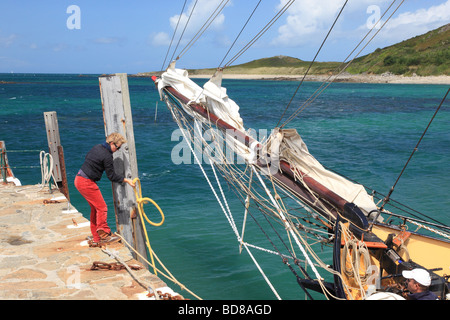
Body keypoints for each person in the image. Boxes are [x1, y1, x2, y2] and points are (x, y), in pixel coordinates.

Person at [75, 132, 135, 247]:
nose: (117, 150)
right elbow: (111, 176)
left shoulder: (97, 147)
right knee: (102, 208)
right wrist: (127, 180)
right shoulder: (107, 156)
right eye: (117, 147)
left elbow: (87, 157)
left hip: (79, 179)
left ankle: (97, 238)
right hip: (86, 182)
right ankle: (104, 234)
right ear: (111, 143)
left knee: (95, 210)